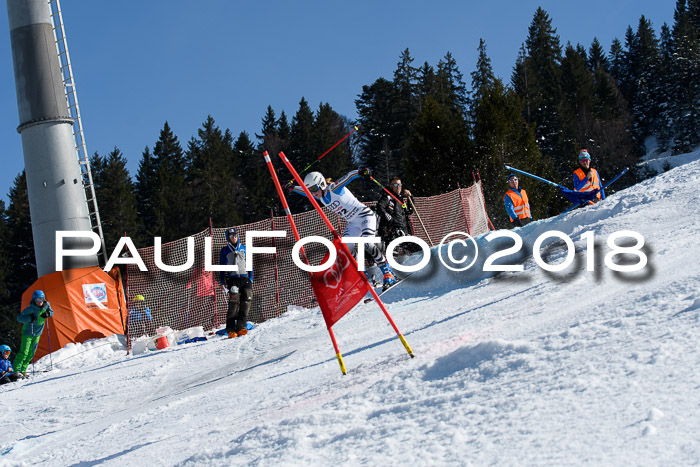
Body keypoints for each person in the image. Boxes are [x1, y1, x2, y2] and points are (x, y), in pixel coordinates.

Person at [292, 168, 397, 289]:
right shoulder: (319, 197)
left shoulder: (333, 189)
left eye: (314, 189)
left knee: (367, 243)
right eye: (311, 191)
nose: (313, 193)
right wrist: (292, 187)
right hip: (353, 222)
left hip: (364, 216)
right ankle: (364, 277)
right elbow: (304, 191)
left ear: (321, 184)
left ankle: (388, 272)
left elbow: (348, 176)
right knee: (347, 249)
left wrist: (360, 172)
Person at [219, 228, 253, 339]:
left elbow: (249, 263)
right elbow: (222, 266)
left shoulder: (244, 248)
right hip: (233, 279)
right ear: (228, 238)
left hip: (244, 278)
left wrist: (251, 278)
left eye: (235, 235)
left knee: (246, 301)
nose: (234, 237)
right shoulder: (225, 250)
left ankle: (241, 326)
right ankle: (230, 329)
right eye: (231, 235)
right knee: (234, 303)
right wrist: (222, 280)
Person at [14, 290, 54, 375]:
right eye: (37, 300)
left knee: (31, 353)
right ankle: (16, 370)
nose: (40, 302)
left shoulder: (46, 305)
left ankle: (23, 370)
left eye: (41, 299)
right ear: (34, 300)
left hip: (38, 333)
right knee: (24, 352)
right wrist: (29, 319)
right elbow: (19, 318)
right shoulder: (31, 308)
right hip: (28, 332)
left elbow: (51, 312)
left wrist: (48, 314)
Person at [376, 176, 416, 253]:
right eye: (395, 185)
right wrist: (390, 219)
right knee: (393, 254)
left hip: (403, 231)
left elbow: (409, 211)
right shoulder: (387, 197)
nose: (398, 187)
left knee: (415, 249)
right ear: (391, 186)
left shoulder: (400, 199)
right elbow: (380, 208)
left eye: (399, 185)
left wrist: (410, 197)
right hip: (391, 233)